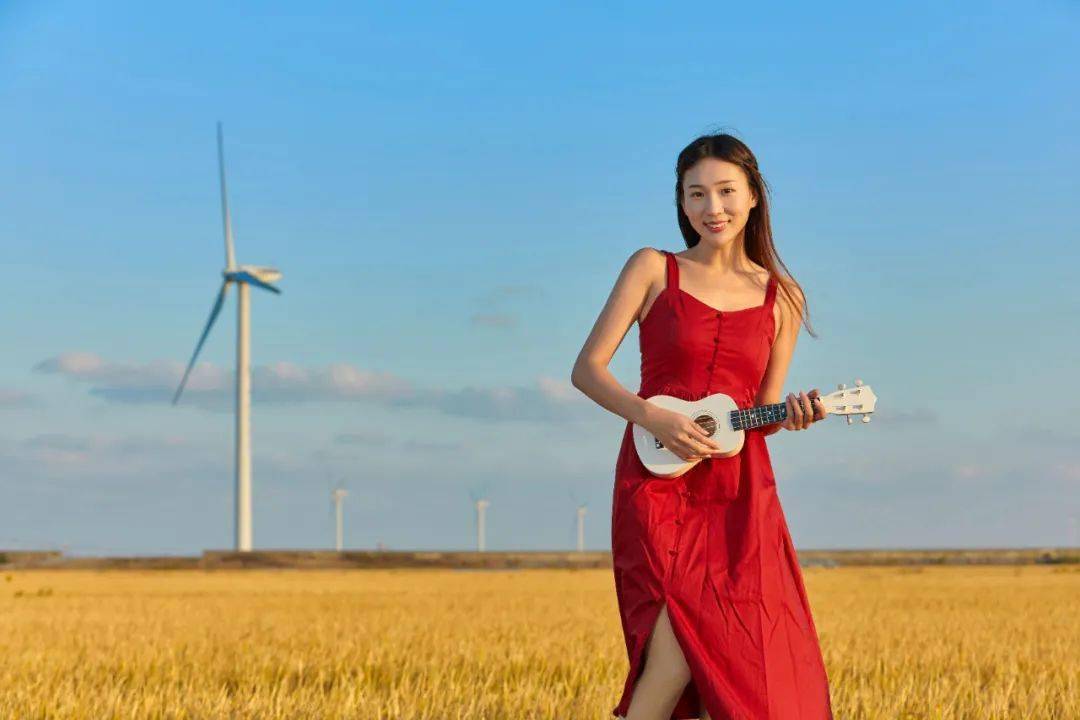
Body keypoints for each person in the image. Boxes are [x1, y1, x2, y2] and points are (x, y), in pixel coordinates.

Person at [571, 133, 834, 719]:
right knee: (673, 646)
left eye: (725, 192)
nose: (712, 208)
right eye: (697, 195)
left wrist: (792, 415)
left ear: (754, 197)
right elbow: (586, 370)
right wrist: (650, 413)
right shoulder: (652, 268)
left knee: (740, 653)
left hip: (740, 495)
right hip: (656, 483)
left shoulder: (782, 297)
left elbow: (760, 412)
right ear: (681, 204)